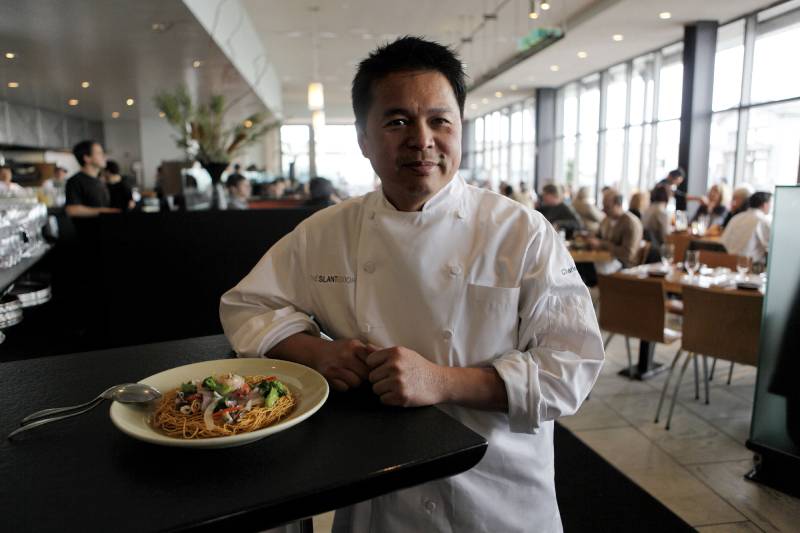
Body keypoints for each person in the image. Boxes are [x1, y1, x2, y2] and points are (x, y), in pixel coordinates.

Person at [220, 36, 603, 533]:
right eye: (397, 121)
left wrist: (440, 381)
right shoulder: (326, 232)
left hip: (498, 494)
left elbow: (572, 369)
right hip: (377, 492)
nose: (421, 139)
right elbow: (247, 306)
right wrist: (319, 353)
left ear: (461, 130)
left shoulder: (520, 232)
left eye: (439, 120)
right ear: (362, 138)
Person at [587, 188, 643, 273]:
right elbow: (598, 236)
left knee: (584, 270)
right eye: (603, 206)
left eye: (607, 207)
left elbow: (628, 254)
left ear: (618, 205)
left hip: (625, 267)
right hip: (606, 261)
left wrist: (601, 244)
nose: (604, 210)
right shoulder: (606, 220)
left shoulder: (630, 223)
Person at [65, 140, 120, 217]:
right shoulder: (75, 181)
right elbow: (72, 210)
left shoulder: (100, 180)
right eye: (99, 153)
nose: (104, 156)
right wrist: (106, 211)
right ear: (87, 158)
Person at [721, 191, 772, 264]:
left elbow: (724, 240)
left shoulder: (736, 217)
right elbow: (771, 245)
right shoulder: (762, 220)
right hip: (751, 266)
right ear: (765, 204)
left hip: (730, 262)